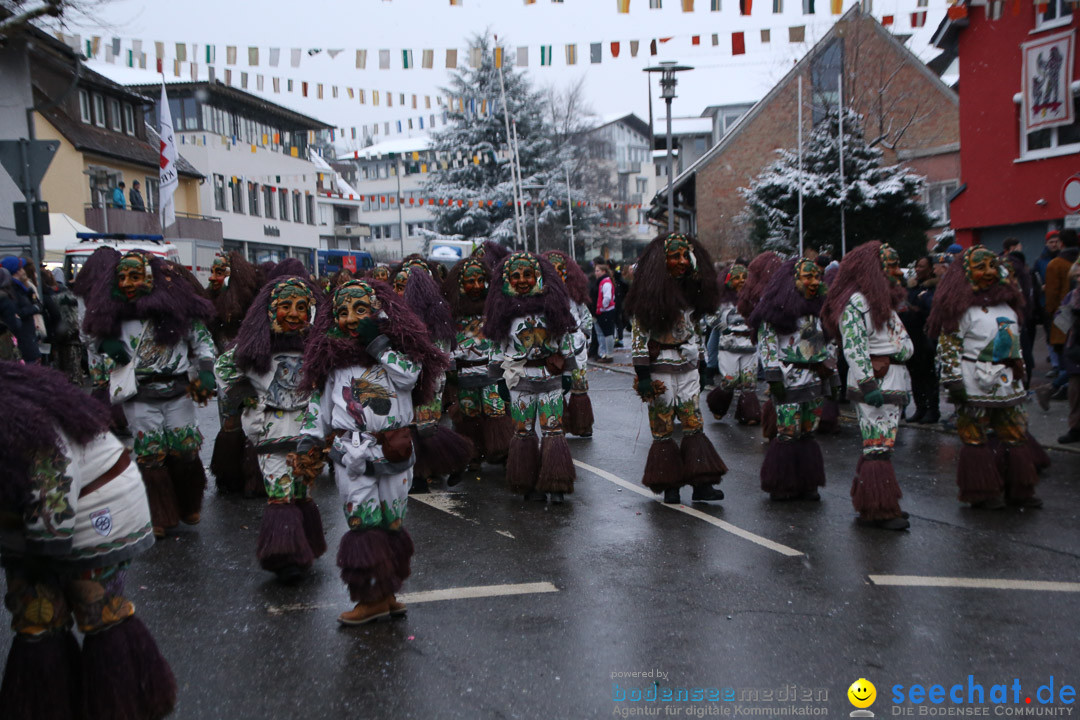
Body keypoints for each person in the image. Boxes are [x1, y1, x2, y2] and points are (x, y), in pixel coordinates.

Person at [0, 363, 176, 720]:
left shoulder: (18, 421)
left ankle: (125, 701)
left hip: (96, 499)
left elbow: (52, 481)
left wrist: (42, 550)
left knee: (96, 604)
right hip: (33, 512)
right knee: (35, 612)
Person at [295, 279, 447, 625]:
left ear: (380, 311)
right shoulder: (331, 360)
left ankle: (387, 592)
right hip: (352, 456)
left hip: (395, 452)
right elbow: (318, 405)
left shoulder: (398, 353)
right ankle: (369, 597)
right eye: (343, 312)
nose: (350, 319)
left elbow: (410, 377)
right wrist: (309, 440)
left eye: (360, 310)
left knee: (392, 522)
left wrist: (377, 344)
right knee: (363, 524)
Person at [81, 249, 217, 536]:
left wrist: (205, 370)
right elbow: (89, 334)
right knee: (150, 454)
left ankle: (186, 502)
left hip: (178, 391)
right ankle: (159, 513)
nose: (128, 283)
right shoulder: (112, 314)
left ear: (151, 278)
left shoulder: (178, 309)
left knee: (185, 449)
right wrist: (106, 345)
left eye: (135, 276)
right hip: (139, 394)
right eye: (122, 278)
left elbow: (202, 339)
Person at [215, 273, 327, 583]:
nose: (293, 314)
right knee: (280, 492)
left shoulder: (316, 347)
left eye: (301, 306)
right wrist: (247, 398)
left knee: (302, 492)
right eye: (285, 306)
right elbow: (223, 368)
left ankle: (303, 546)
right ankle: (285, 557)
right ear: (270, 310)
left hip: (307, 429)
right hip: (272, 429)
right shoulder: (254, 346)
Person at [928, 245, 1042, 510]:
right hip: (974, 382)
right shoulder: (960, 308)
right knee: (975, 436)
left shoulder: (1008, 305)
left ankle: (1018, 489)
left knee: (1015, 434)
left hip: (1008, 383)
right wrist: (954, 381)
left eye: (992, 266)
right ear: (967, 273)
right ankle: (982, 491)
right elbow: (948, 346)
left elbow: (1016, 342)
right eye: (981, 268)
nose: (989, 272)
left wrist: (1020, 368)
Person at [624, 233, 727, 505]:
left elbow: (698, 331)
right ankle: (670, 485)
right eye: (675, 256)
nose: (682, 261)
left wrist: (703, 364)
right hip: (660, 370)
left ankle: (702, 484)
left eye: (685, 256)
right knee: (663, 425)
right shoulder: (647, 296)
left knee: (694, 422)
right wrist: (643, 376)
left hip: (688, 368)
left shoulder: (694, 292)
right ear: (661, 261)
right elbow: (638, 338)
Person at [823, 242, 914, 530]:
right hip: (874, 385)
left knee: (882, 446)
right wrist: (867, 381)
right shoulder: (857, 305)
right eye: (891, 266)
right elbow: (854, 347)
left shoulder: (885, 304)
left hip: (893, 382)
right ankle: (880, 509)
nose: (897, 272)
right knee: (877, 446)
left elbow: (906, 345)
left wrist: (892, 355)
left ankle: (874, 503)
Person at [484, 252, 579, 503]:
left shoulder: (553, 308)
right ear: (506, 280)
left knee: (553, 429)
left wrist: (568, 372)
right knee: (523, 431)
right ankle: (526, 483)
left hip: (551, 378)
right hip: (519, 381)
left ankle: (557, 483)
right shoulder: (502, 313)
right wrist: (497, 381)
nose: (523, 280)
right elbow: (496, 349)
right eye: (516, 276)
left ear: (540, 276)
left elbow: (565, 341)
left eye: (528, 274)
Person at [749, 258, 832, 502]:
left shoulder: (813, 310)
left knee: (808, 431)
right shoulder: (774, 311)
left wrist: (829, 374)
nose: (814, 282)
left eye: (817, 277)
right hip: (788, 378)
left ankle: (807, 482)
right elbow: (767, 344)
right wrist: (773, 376)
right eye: (808, 277)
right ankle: (782, 483)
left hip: (813, 378)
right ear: (793, 280)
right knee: (788, 431)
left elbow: (815, 344)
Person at [399, 261, 473, 493]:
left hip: (423, 380)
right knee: (419, 428)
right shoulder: (430, 311)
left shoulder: (422, 316)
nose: (400, 291)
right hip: (417, 378)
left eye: (403, 286)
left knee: (424, 428)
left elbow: (440, 351)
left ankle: (457, 457)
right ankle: (420, 474)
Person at [443, 245, 513, 469]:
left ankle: (500, 449)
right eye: (469, 281)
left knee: (495, 410)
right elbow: (447, 343)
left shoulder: (494, 309)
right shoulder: (451, 313)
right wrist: (451, 369)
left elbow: (504, 338)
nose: (475, 286)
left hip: (490, 369)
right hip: (464, 372)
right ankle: (471, 453)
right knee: (468, 414)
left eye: (479, 280)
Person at [206, 251, 264, 496]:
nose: (213, 278)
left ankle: (255, 477)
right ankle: (231, 476)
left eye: (220, 272)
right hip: (225, 369)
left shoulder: (250, 302)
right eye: (213, 272)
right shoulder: (210, 303)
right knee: (229, 423)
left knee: (253, 423)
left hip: (251, 370)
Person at [544, 250, 596, 437]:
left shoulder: (575, 296)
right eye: (552, 269)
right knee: (556, 386)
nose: (557, 273)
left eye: (561, 269)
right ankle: (561, 423)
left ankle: (582, 425)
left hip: (576, 344)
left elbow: (587, 317)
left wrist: (584, 335)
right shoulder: (541, 298)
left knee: (579, 385)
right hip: (553, 346)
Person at [705, 262, 760, 424]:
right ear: (729, 280)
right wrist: (723, 328)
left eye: (745, 278)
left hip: (749, 345)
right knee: (730, 380)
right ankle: (718, 406)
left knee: (749, 382)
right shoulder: (722, 302)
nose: (741, 281)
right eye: (737, 278)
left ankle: (750, 414)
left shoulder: (754, 300)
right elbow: (710, 317)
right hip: (729, 346)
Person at [1039, 229, 1080, 405]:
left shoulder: (1055, 264)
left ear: (1061, 243)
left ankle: (1054, 388)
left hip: (1066, 317)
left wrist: (1050, 316)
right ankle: (1058, 388)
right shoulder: (1074, 261)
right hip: (1072, 317)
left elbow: (1052, 295)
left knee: (1068, 358)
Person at [900, 255, 940, 424]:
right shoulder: (913, 287)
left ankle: (933, 410)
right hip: (912, 336)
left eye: (922, 266)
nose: (918, 269)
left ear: (931, 268)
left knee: (928, 375)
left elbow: (933, 308)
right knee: (915, 374)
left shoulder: (935, 288)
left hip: (926, 337)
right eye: (917, 265)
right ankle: (920, 408)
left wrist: (920, 306)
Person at [0, 256, 42, 363]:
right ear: (16, 271)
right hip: (22, 339)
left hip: (27, 336)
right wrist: (34, 308)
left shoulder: (24, 287)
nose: (24, 271)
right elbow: (16, 314)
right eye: (21, 268)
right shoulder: (12, 291)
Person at [594, 263, 617, 363]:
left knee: (607, 333)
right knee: (602, 333)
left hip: (606, 311)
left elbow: (607, 297)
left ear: (603, 272)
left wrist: (602, 306)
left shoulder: (606, 282)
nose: (596, 273)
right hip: (603, 311)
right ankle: (603, 353)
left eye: (597, 271)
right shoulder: (603, 282)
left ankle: (609, 354)